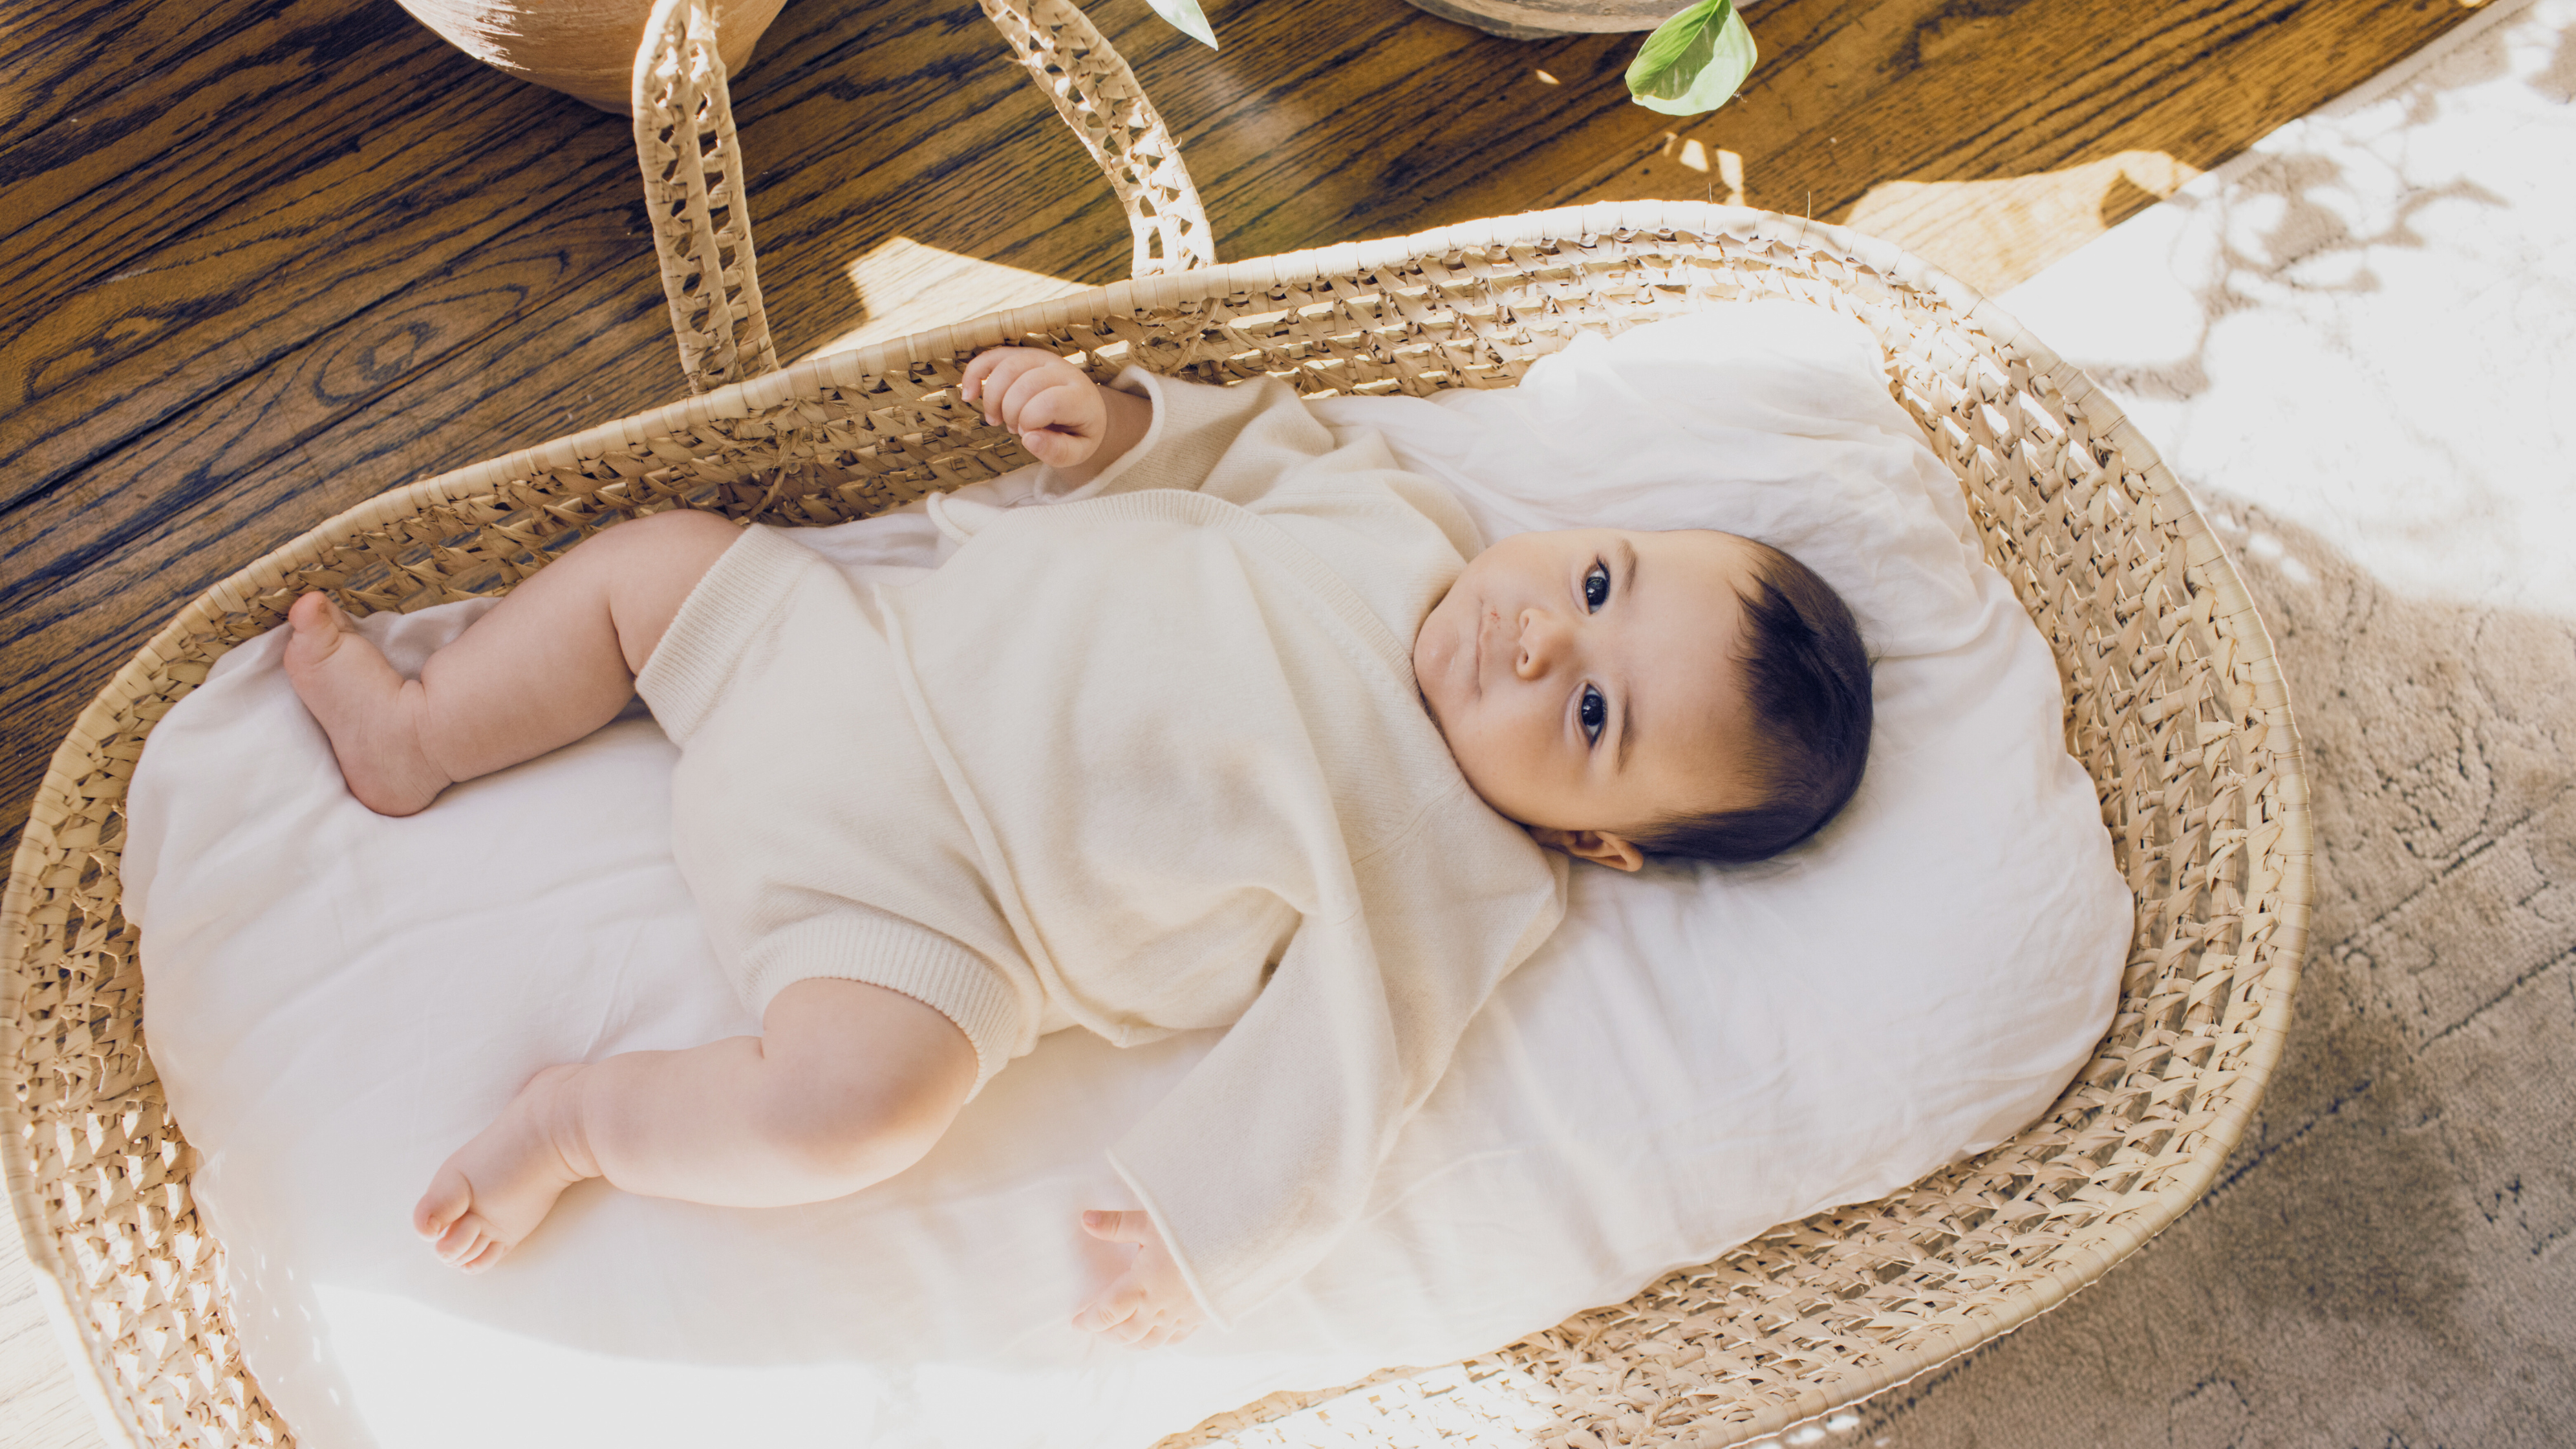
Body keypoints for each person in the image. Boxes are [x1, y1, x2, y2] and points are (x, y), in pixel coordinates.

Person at [280, 347, 1872, 1348]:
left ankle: (578, 1124)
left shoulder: (1470, 875)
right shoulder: (1397, 520)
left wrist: (1209, 1233)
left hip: (934, 924)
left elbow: (1352, 1067)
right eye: (1596, 585)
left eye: (1593, 718)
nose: (1538, 646)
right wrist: (1108, 423)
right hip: (846, 658)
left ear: (1603, 844)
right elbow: (1247, 444)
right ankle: (422, 738)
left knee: (862, 1111)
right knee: (662, 566)